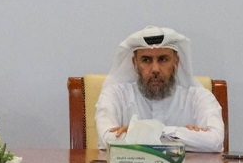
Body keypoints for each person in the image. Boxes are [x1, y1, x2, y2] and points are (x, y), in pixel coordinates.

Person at [94, 26, 223, 152]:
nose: (155, 69)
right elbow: (108, 140)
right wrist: (184, 136)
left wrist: (149, 131)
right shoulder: (115, 95)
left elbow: (215, 141)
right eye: (146, 60)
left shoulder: (199, 97)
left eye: (163, 59)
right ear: (135, 63)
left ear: (176, 62)